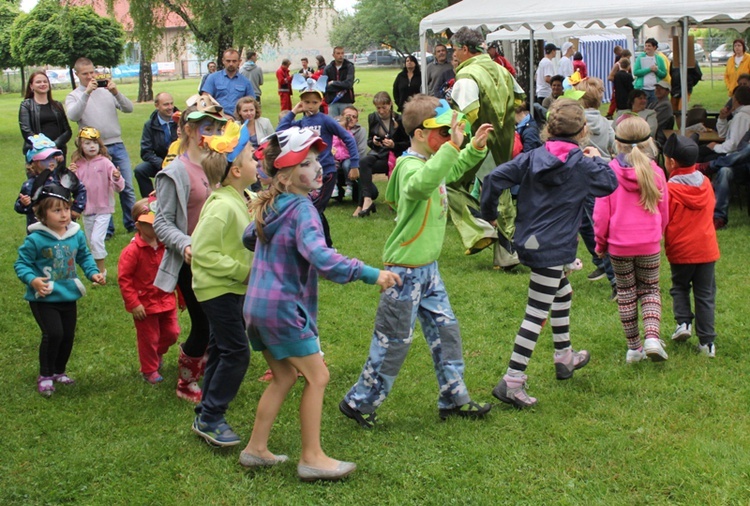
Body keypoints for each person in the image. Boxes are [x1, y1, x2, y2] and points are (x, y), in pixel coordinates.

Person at [240, 127, 401, 480]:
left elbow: (248, 237)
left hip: (256, 308)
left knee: (283, 376)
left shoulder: (273, 205)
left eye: (317, 161)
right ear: (285, 175)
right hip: (282, 310)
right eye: (307, 163)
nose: (318, 169)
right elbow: (321, 257)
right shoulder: (302, 210)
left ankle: (256, 449)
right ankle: (312, 456)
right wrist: (372, 273)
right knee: (318, 376)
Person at [342, 95, 493, 427]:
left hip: (429, 271)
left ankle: (454, 397)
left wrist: (474, 148)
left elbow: (449, 168)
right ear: (422, 133)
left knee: (446, 332)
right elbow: (422, 184)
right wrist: (453, 148)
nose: (450, 138)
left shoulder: (433, 160)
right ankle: (359, 402)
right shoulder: (411, 165)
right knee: (393, 340)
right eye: (444, 132)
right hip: (404, 273)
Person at [480, 98, 618, 408]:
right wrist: (596, 158)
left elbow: (493, 179)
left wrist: (489, 213)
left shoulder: (531, 158)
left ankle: (564, 357)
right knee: (535, 314)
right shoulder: (582, 164)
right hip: (553, 250)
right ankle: (512, 381)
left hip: (530, 242)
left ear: (548, 130)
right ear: (583, 131)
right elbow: (609, 183)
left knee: (563, 293)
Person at [153, 94, 229, 403]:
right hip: (192, 262)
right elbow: (161, 223)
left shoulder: (219, 165)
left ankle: (211, 371)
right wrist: (185, 243)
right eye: (203, 126)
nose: (209, 133)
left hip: (222, 258)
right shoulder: (176, 172)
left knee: (224, 321)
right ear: (187, 129)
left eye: (215, 127)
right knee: (205, 322)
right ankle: (187, 381)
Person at [189, 122, 257, 447]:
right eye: (252, 158)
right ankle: (211, 416)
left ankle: (205, 409)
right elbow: (202, 252)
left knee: (220, 347)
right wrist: (242, 272)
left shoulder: (242, 196)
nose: (258, 161)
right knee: (237, 352)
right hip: (218, 289)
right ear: (235, 171)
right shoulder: (221, 206)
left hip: (229, 289)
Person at [14, 182, 104, 397]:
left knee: (67, 336)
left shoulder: (76, 234)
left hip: (68, 294)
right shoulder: (35, 239)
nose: (64, 215)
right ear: (42, 214)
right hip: (44, 297)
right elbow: (21, 264)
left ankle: (59, 371)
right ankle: (45, 375)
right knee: (53, 334)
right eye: (56, 210)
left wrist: (93, 272)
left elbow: (83, 256)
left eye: (66, 208)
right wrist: (33, 280)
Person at [593, 116, 669, 363]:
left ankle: (634, 348)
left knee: (626, 292)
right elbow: (664, 211)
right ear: (650, 142)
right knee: (650, 290)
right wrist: (659, 234)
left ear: (617, 143)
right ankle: (652, 338)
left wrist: (600, 244)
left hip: (619, 245)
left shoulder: (609, 173)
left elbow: (601, 215)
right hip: (648, 243)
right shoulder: (656, 172)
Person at [450, 26, 519, 266]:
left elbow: (467, 113)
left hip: (477, 144)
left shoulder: (467, 76)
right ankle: (507, 253)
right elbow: (519, 98)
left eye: (455, 50)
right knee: (501, 193)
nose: (454, 55)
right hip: (504, 142)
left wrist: (456, 144)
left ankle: (480, 229)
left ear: (466, 49)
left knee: (445, 183)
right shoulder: (502, 71)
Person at [277, 79, 360, 246]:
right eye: (306, 102)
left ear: (321, 102)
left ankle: (325, 246)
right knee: (311, 208)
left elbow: (348, 138)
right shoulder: (302, 122)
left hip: (326, 172)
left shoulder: (326, 120)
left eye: (314, 102)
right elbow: (280, 130)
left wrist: (354, 164)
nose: (310, 106)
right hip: (308, 173)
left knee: (314, 209)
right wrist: (294, 111)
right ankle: (315, 244)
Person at [65, 57, 137, 238]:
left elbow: (129, 109)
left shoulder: (106, 92)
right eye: (85, 74)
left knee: (126, 185)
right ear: (77, 74)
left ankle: (133, 223)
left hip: (116, 143)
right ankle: (107, 229)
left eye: (92, 72)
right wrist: (87, 93)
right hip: (93, 149)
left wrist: (116, 92)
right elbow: (73, 116)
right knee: (101, 189)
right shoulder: (74, 96)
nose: (90, 76)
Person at [662, 134, 720, 358]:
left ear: (672, 163)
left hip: (681, 250)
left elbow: (664, 217)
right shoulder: (706, 183)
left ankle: (683, 323)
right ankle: (707, 344)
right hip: (706, 249)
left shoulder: (669, 189)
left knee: (679, 286)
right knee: (705, 294)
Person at [118, 198, 180, 384]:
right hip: (145, 305)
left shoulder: (166, 247)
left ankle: (158, 353)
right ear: (138, 225)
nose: (155, 229)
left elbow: (174, 272)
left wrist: (182, 298)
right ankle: (149, 369)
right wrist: (133, 303)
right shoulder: (132, 251)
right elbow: (124, 279)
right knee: (148, 338)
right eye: (150, 225)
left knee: (172, 333)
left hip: (166, 299)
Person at [574, 77, 618, 298]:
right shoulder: (606, 123)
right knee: (586, 225)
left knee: (593, 228)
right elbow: (612, 149)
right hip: (601, 179)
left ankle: (615, 280)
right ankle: (600, 263)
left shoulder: (578, 126)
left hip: (584, 182)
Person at [69, 127, 124, 279]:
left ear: (100, 145)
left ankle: (101, 273)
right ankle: (95, 272)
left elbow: (120, 187)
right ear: (80, 145)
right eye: (87, 143)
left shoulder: (106, 163)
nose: (91, 146)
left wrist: (117, 177)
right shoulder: (77, 164)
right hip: (86, 210)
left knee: (96, 240)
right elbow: (71, 187)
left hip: (104, 209)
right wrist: (70, 174)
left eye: (94, 143)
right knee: (91, 242)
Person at [699, 85, 750, 229]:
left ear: (735, 99)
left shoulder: (742, 116)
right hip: (738, 161)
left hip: (742, 163)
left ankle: (711, 166)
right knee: (725, 170)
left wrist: (715, 147)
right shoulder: (738, 115)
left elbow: (733, 145)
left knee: (706, 154)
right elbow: (725, 135)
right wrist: (722, 119)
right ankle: (719, 217)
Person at [352, 92, 409, 217]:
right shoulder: (372, 117)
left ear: (390, 105)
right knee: (363, 163)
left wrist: (394, 145)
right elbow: (369, 140)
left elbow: (408, 143)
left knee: (367, 165)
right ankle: (366, 200)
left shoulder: (399, 119)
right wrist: (374, 143)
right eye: (378, 108)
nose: (381, 111)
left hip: (394, 157)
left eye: (384, 107)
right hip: (379, 154)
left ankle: (366, 203)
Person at [16, 134, 86, 232]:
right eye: (46, 158)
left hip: (64, 224)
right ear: (34, 162)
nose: (51, 161)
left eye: (53, 157)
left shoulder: (62, 176)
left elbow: (80, 189)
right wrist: (24, 204)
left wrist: (76, 209)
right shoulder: (30, 184)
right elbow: (20, 207)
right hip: (40, 227)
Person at [19, 71, 72, 161]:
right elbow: (26, 131)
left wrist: (55, 145)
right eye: (38, 82)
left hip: (58, 153)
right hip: (37, 153)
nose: (42, 84)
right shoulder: (26, 105)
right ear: (31, 86)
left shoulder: (57, 105)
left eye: (45, 81)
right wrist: (46, 148)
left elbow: (67, 131)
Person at [133, 92, 178, 198]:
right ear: (157, 106)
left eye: (171, 103)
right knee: (140, 170)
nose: (170, 107)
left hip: (179, 161)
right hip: (160, 162)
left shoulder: (181, 120)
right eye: (166, 104)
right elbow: (146, 152)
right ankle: (150, 201)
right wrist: (162, 164)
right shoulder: (150, 125)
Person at [200, 49, 255, 115]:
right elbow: (204, 100)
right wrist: (221, 115)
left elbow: (252, 103)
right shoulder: (213, 78)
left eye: (234, 61)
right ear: (223, 61)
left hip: (238, 120)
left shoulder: (245, 82)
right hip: (217, 119)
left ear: (239, 62)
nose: (231, 64)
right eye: (228, 61)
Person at [332, 106, 366, 202]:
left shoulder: (359, 131)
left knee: (372, 193)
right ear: (342, 117)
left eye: (354, 117)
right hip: (335, 159)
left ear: (357, 120)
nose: (350, 119)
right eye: (348, 116)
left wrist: (354, 165)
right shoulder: (334, 130)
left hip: (351, 163)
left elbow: (361, 152)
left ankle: (351, 187)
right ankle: (334, 188)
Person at [324, 47, 356, 118]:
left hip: (346, 101)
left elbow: (349, 84)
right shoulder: (328, 69)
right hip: (332, 102)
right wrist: (341, 86)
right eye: (338, 53)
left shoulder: (349, 66)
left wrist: (333, 83)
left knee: (347, 125)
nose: (340, 55)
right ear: (333, 55)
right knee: (333, 126)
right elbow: (324, 87)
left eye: (342, 53)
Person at [633, 38, 667, 106]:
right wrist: (649, 69)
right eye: (646, 46)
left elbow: (664, 74)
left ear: (654, 47)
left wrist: (657, 71)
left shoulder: (659, 59)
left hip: (655, 89)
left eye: (649, 46)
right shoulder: (640, 57)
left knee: (654, 108)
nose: (647, 48)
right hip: (643, 88)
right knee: (642, 108)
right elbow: (636, 72)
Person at [649, 80, 674, 145]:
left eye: (661, 89)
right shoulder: (655, 102)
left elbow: (652, 121)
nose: (658, 90)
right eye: (657, 88)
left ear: (667, 92)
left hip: (657, 136)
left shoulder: (665, 105)